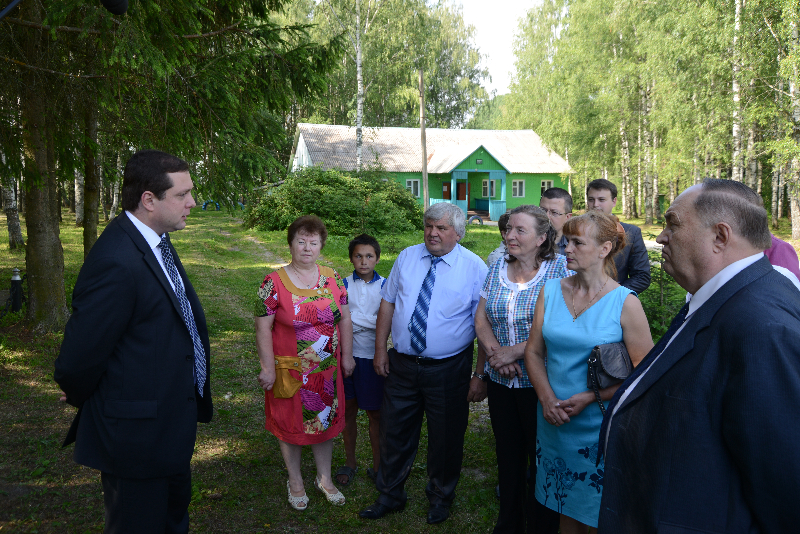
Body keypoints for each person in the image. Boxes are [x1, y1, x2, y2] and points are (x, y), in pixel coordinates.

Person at [599, 179, 800, 533]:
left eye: (673, 223)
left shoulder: (761, 327)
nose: (661, 237)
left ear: (720, 237)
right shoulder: (725, 296)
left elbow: (783, 487)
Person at [54, 150, 213, 533]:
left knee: (172, 520)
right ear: (149, 200)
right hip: (136, 440)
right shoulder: (117, 258)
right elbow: (78, 357)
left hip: (168, 430)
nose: (193, 202)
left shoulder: (154, 238)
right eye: (182, 194)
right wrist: (88, 394)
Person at [359, 202, 489, 525]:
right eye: (429, 225)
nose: (432, 233)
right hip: (401, 363)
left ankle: (441, 497)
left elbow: (483, 322)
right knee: (394, 429)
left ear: (457, 233)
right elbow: (388, 302)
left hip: (449, 368)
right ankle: (390, 494)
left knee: (446, 436)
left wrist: (479, 372)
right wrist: (380, 350)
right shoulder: (407, 256)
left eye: (441, 228)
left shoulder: (474, 268)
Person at [524, 211, 653, 534]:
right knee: (564, 507)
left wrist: (588, 397)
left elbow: (645, 374)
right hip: (554, 422)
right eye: (566, 241)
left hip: (599, 427)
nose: (566, 248)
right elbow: (534, 352)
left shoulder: (625, 302)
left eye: (577, 242)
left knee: (597, 515)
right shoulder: (550, 291)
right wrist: (547, 399)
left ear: (604, 248)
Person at [475, 205, 569, 534]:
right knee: (508, 453)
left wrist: (515, 352)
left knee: (541, 456)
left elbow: (561, 324)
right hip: (503, 383)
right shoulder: (498, 265)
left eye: (519, 231)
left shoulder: (560, 270)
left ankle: (542, 525)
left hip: (542, 383)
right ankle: (509, 522)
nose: (509, 236)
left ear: (542, 238)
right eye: (508, 229)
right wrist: (495, 354)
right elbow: (481, 317)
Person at [255, 215, 355, 510]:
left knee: (323, 423)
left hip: (326, 370)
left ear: (321, 245)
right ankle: (295, 480)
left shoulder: (333, 278)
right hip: (289, 370)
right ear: (291, 244)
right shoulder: (272, 282)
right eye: (301, 241)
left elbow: (345, 319)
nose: (307, 247)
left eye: (313, 242)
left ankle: (324, 479)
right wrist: (267, 368)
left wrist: (347, 355)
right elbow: (263, 328)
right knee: (289, 424)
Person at [335, 234, 386, 487]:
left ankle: (378, 466)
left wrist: (352, 320)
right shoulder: (342, 285)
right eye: (358, 256)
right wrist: (369, 322)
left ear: (377, 258)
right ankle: (350, 462)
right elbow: (338, 320)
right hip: (347, 358)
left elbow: (385, 323)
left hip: (373, 358)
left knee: (375, 413)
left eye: (369, 256)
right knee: (348, 411)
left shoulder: (386, 286)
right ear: (351, 258)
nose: (363, 261)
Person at [585, 179, 651, 293]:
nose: (595, 205)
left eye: (601, 200)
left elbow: (642, 277)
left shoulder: (631, 232)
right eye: (591, 200)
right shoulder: (574, 230)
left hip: (614, 304)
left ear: (614, 201)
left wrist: (613, 294)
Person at [540, 187, 573, 255]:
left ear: (567, 217)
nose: (547, 216)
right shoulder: (527, 243)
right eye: (543, 210)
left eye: (554, 212)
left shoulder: (574, 248)